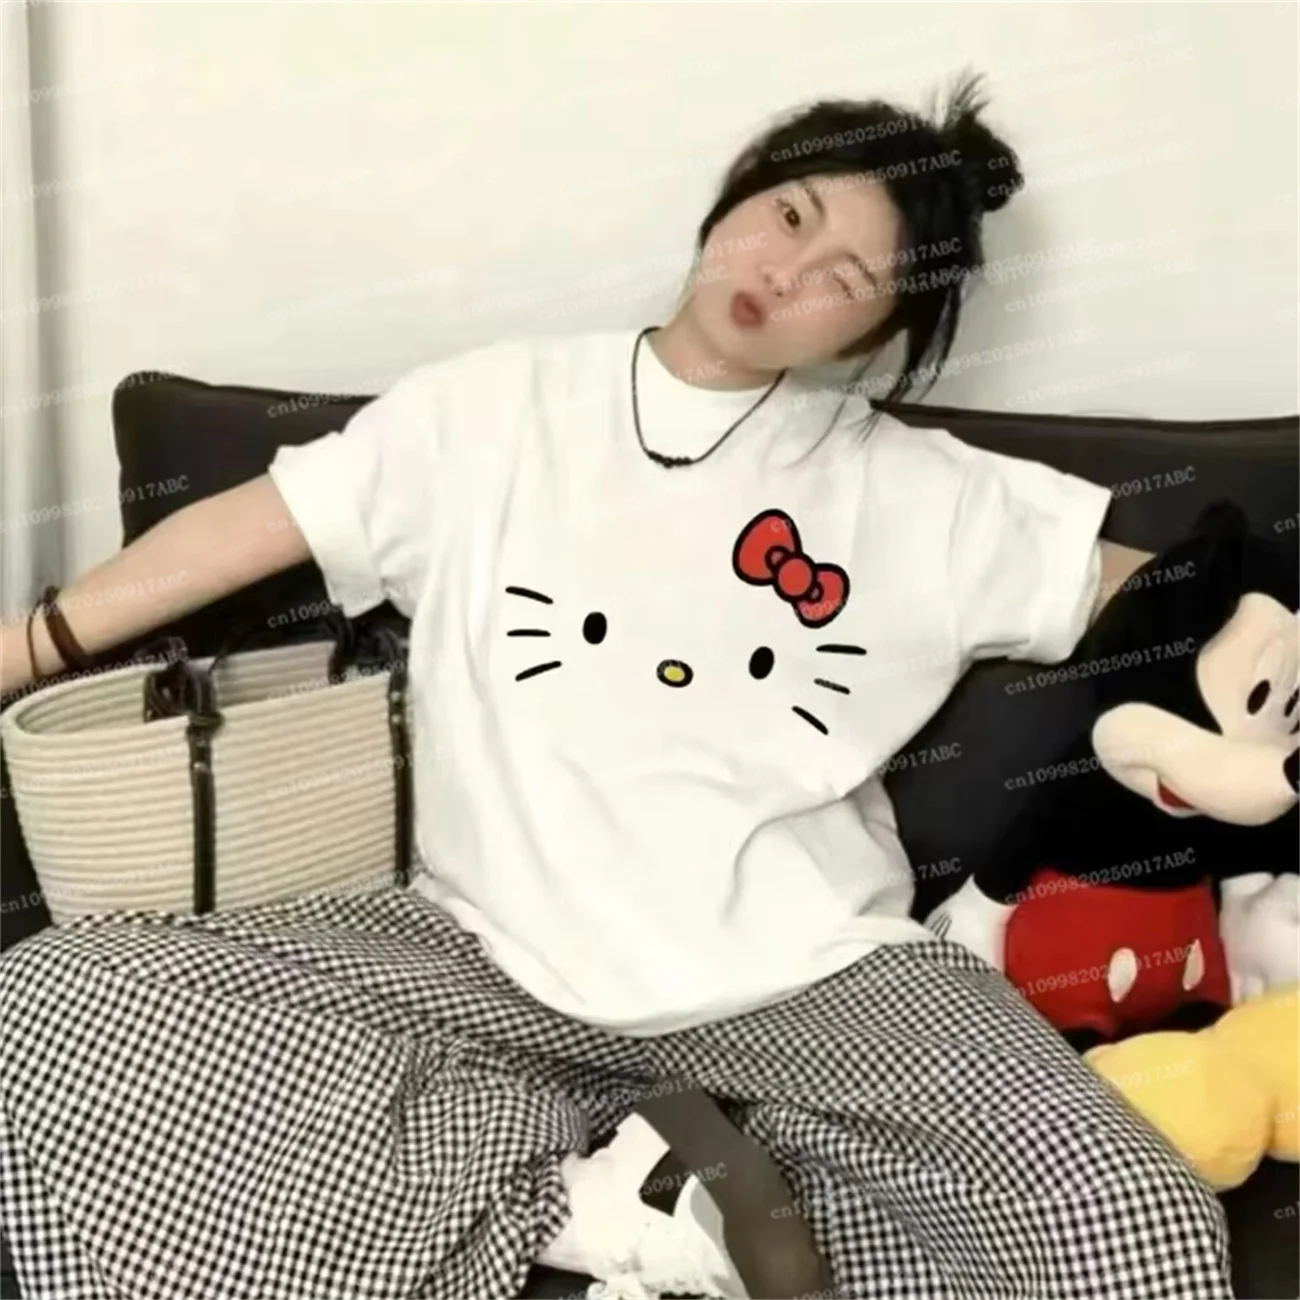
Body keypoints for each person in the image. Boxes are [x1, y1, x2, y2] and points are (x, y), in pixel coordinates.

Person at [0, 71, 1231, 1300]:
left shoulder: (924, 492)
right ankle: (599, 1207)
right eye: (789, 215)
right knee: (53, 1002)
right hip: (480, 963)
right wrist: (29, 647)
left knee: (1137, 1218)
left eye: (845, 277)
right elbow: (253, 526)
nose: (786, 272)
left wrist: (1251, 643)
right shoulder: (493, 408)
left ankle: (685, 1184)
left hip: (812, 980)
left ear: (873, 336)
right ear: (734, 198)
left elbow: (1174, 597)